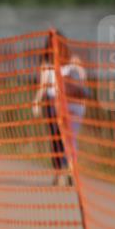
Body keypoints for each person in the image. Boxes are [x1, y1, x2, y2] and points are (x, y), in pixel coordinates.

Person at [32, 36, 88, 187]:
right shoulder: (50, 63)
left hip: (64, 103)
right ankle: (63, 171)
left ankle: (66, 171)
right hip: (58, 103)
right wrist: (37, 101)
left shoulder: (67, 61)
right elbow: (44, 85)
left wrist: (37, 101)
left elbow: (82, 80)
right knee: (61, 138)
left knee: (63, 138)